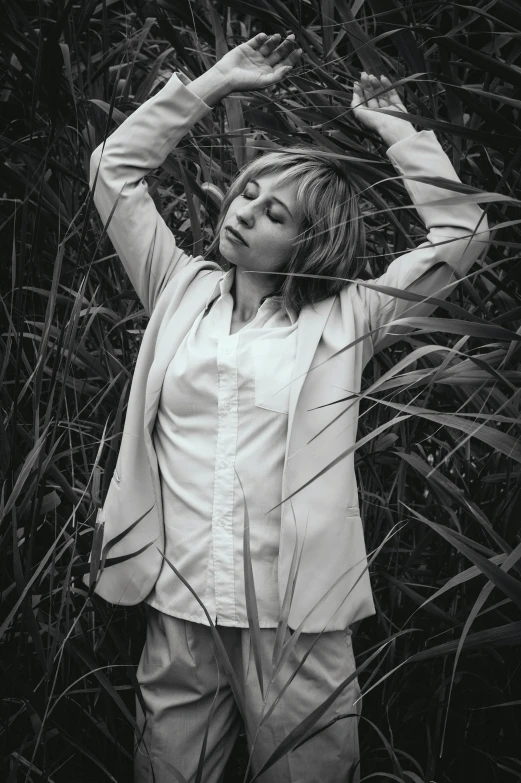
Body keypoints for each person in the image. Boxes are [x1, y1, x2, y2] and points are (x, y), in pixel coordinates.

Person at [83, 31, 489, 783]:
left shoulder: (350, 318)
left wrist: (396, 130)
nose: (245, 211)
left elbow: (463, 234)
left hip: (297, 617)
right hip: (179, 603)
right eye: (248, 192)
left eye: (275, 213)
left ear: (313, 242)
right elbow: (113, 172)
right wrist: (213, 84)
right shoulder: (178, 287)